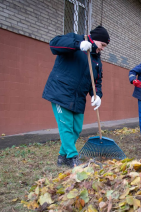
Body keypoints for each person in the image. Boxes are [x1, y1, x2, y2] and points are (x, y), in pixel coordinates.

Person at [42, 26, 110, 167]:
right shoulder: (76, 39)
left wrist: (97, 95)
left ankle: (63, 157)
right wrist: (77, 45)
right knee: (66, 127)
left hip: (78, 98)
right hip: (61, 92)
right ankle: (73, 158)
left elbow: (96, 81)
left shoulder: (96, 60)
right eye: (102, 45)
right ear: (95, 39)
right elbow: (54, 44)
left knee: (76, 129)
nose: (103, 48)